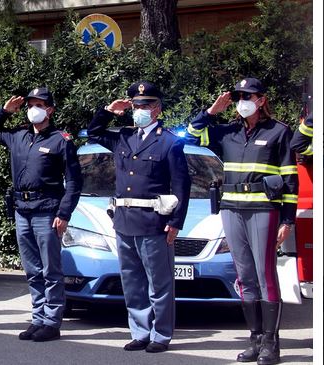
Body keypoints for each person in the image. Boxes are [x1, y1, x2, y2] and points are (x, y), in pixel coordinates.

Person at [186, 78, 297, 365]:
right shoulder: (227, 132)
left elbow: (290, 180)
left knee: (265, 275)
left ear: (261, 100)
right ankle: (255, 340)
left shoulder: (278, 132)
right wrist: (211, 112)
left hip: (263, 210)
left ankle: (271, 345)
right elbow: (189, 135)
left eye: (248, 96)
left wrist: (288, 220)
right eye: (238, 96)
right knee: (244, 276)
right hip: (231, 209)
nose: (242, 101)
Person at [88, 81, 191, 353]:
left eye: (146, 105)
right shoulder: (123, 136)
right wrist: (109, 110)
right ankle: (140, 332)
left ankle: (161, 335)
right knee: (132, 282)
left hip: (153, 222)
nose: (140, 109)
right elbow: (93, 132)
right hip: (124, 221)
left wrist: (176, 222)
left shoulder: (169, 141)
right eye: (136, 105)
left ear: (157, 109)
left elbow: (182, 185)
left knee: (159, 283)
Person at [0, 87, 82, 342]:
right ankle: (38, 318)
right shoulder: (18, 136)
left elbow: (73, 182)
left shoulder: (61, 140)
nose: (33, 109)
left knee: (50, 269)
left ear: (50, 109)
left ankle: (51, 321)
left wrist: (64, 213)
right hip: (22, 210)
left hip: (47, 211)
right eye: (30, 105)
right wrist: (5, 111)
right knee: (31, 269)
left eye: (39, 105)